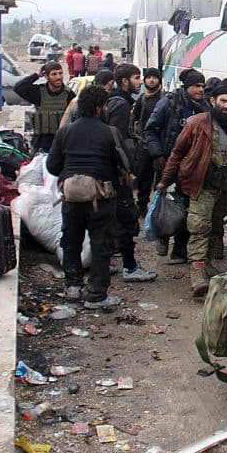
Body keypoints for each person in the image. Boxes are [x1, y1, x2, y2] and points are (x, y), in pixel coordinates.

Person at [46, 85, 130, 308]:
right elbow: (126, 164)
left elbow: (52, 166)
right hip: (100, 199)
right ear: (100, 107)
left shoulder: (65, 132)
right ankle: (96, 294)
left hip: (71, 198)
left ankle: (72, 286)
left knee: (71, 241)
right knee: (101, 244)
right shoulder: (110, 132)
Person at [157, 78, 227, 296]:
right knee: (199, 227)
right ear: (212, 101)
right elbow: (177, 153)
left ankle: (208, 263)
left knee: (215, 226)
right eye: (223, 101)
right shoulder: (196, 123)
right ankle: (197, 273)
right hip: (201, 184)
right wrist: (165, 180)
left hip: (224, 186)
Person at [143, 68, 208, 263]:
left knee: (188, 209)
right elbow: (150, 130)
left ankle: (180, 250)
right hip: (168, 164)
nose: (201, 90)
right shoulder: (169, 103)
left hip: (192, 168)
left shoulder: (204, 108)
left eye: (203, 86)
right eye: (197, 86)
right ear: (187, 87)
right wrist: (157, 154)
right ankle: (163, 235)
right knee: (167, 204)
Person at [105, 63, 157, 283]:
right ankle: (129, 267)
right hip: (118, 175)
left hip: (115, 173)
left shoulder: (121, 101)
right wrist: (124, 170)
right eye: (137, 78)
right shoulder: (119, 104)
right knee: (125, 219)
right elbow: (115, 141)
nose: (141, 82)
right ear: (125, 81)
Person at [14, 61, 76, 153]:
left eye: (60, 73)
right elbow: (18, 88)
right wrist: (37, 75)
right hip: (41, 143)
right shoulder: (39, 92)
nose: (58, 77)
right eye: (54, 74)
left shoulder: (70, 95)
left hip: (60, 143)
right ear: (46, 76)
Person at [131, 67, 163, 216]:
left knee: (161, 178)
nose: (151, 80)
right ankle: (142, 204)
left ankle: (160, 207)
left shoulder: (164, 99)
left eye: (154, 77)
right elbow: (135, 119)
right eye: (149, 77)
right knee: (144, 176)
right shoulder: (142, 99)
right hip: (144, 146)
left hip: (160, 146)